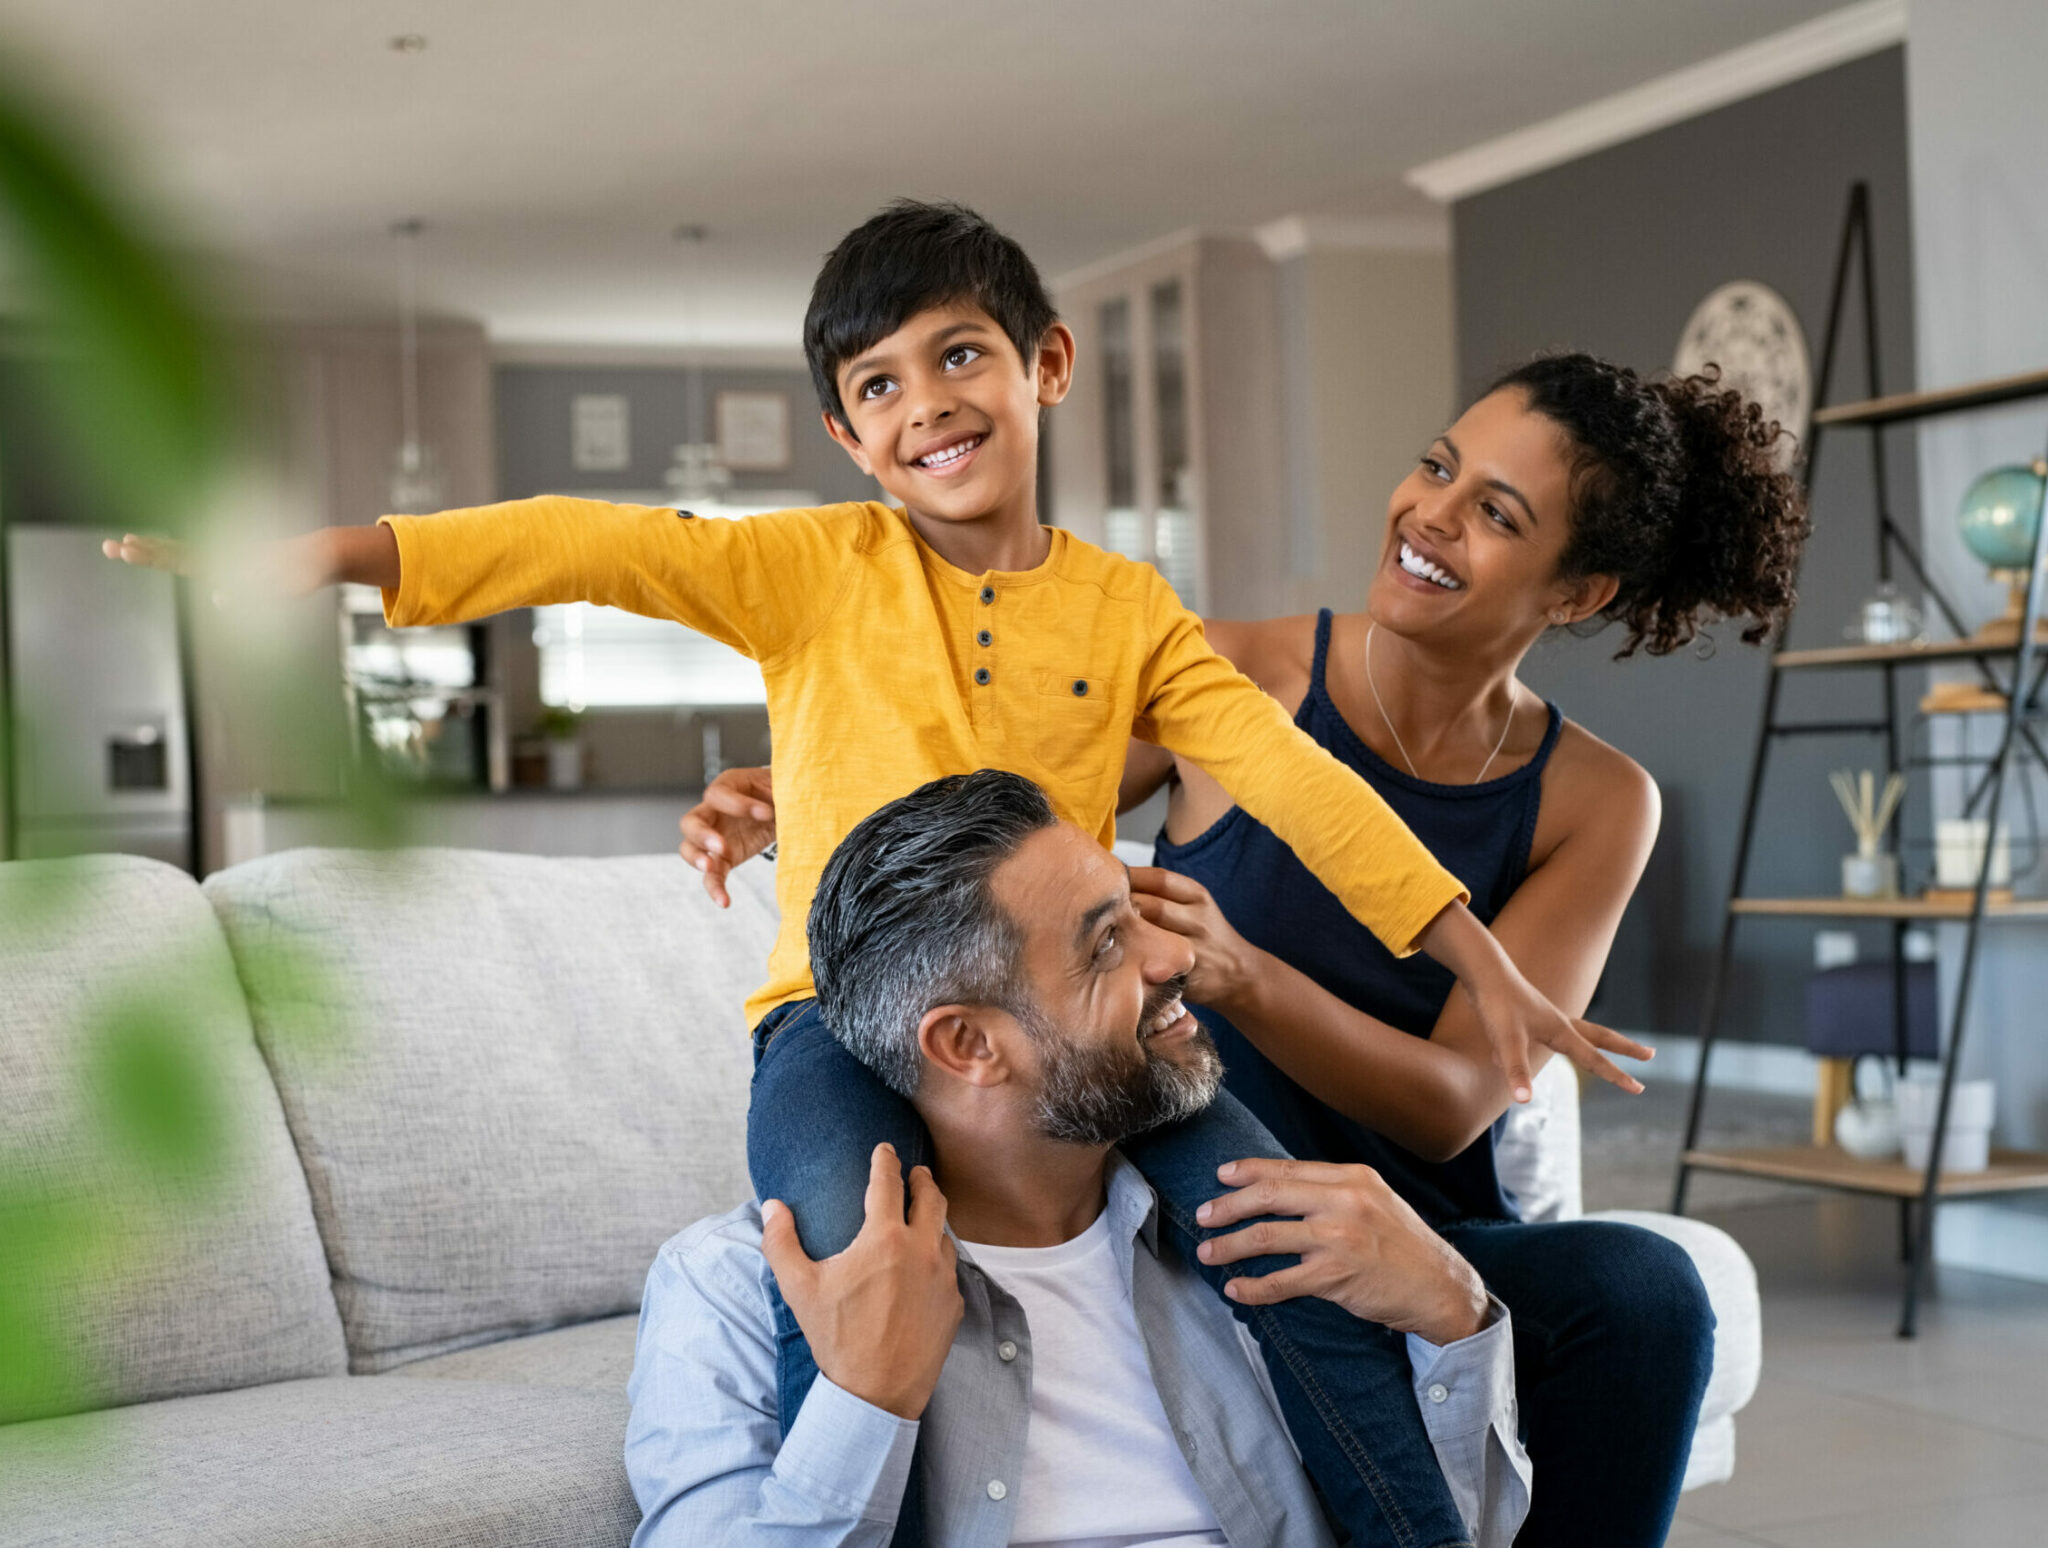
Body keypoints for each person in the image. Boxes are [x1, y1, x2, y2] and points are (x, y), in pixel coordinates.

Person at [106, 202, 1642, 1546]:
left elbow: (1304, 780)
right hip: (833, 1027)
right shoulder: (811, 570)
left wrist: (1477, 957)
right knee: (849, 1266)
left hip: (1074, 1030)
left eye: (959, 355)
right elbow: (593, 546)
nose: (927, 404)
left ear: (1044, 362)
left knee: (1279, 1242)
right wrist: (334, 555)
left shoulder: (1130, 614)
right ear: (848, 438)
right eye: (879, 386)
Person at [681, 352, 1810, 1546]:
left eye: (1494, 513)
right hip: (1189, 1213)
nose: (1430, 514)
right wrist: (794, 800)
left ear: (1574, 593)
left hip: (1403, 1221)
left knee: (1644, 1294)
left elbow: (1449, 1108)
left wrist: (1242, 978)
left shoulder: (1595, 799)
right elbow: (1002, 826)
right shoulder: (1231, 672)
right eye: (1436, 466)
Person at [626, 769, 1530, 1546]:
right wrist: (864, 1400)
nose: (1179, 956)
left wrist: (1452, 1312)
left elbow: (1447, 1527)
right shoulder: (732, 1288)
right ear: (970, 1046)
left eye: (1141, 917)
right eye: (1108, 945)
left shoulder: (1268, 1244)